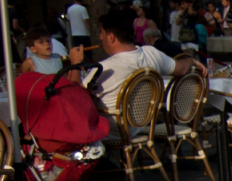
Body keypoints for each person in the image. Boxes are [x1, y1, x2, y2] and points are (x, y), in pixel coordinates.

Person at [69, 9, 206, 130]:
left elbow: (75, 97)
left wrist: (75, 63)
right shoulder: (152, 53)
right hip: (143, 125)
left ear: (111, 37)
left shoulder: (105, 68)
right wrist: (192, 60)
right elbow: (181, 69)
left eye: (102, 33)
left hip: (114, 129)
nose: (100, 37)